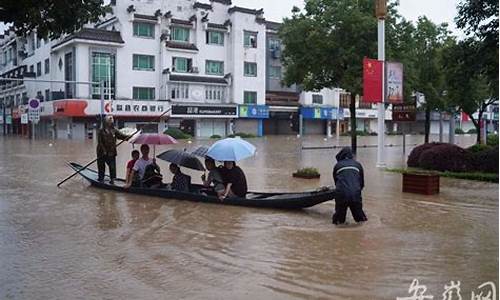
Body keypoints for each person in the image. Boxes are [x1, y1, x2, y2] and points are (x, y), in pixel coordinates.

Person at [332, 147, 367, 225]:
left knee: (338, 222)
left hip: (341, 194)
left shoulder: (337, 165)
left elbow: (336, 182)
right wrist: (355, 192)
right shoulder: (358, 165)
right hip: (355, 194)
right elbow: (361, 183)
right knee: (361, 220)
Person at [96, 115, 129, 184]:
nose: (111, 120)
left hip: (111, 152)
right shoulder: (101, 130)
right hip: (101, 152)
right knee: (101, 166)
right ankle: (101, 179)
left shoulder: (114, 130)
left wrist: (130, 137)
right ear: (106, 121)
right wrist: (104, 150)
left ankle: (113, 179)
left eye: (112, 119)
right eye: (110, 119)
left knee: (112, 167)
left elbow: (122, 136)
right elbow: (100, 142)